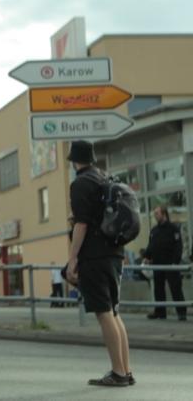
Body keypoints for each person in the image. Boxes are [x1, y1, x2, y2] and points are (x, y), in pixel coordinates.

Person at [65, 141, 133, 387]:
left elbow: (82, 224)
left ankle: (118, 373)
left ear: (74, 160)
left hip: (95, 256)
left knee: (104, 313)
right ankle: (126, 369)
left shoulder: (81, 183)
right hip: (115, 252)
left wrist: (72, 259)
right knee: (114, 311)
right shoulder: (104, 178)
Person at [144, 206, 186, 321]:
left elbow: (178, 246)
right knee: (158, 289)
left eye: (157, 213)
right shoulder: (154, 230)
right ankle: (160, 312)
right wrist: (147, 257)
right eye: (154, 214)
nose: (155, 215)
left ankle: (181, 313)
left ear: (164, 214)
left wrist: (175, 262)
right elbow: (151, 245)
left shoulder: (173, 229)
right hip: (157, 263)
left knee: (175, 288)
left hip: (170, 264)